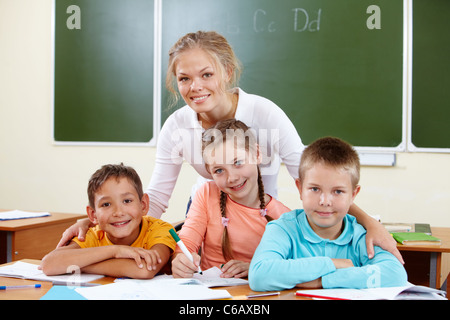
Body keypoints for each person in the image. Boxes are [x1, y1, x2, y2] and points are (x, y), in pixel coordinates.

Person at [56, 30, 402, 264]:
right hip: (208, 216)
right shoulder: (176, 126)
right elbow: (155, 201)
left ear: (227, 71)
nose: (196, 87)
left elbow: (312, 178)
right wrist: (97, 224)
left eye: (206, 74)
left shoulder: (264, 113)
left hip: (261, 220)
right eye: (184, 78)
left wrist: (370, 223)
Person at [249, 137, 408, 291]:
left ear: (353, 194)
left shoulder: (360, 235)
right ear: (300, 188)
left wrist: (323, 281)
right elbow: (259, 275)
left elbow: (395, 274)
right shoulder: (283, 228)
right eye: (315, 189)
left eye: (338, 191)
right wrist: (331, 263)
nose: (325, 201)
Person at [171, 119, 291, 279]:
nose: (232, 178)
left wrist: (255, 269)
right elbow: (185, 244)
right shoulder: (207, 194)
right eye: (219, 170)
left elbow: (291, 267)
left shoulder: (284, 217)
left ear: (256, 154)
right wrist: (180, 260)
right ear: (210, 172)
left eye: (238, 163)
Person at [41, 164, 176, 279]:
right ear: (93, 215)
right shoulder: (93, 235)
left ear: (143, 205)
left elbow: (145, 269)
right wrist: (115, 251)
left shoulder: (160, 229)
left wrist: (81, 265)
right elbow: (49, 264)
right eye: (106, 204)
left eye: (127, 201)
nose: (118, 212)